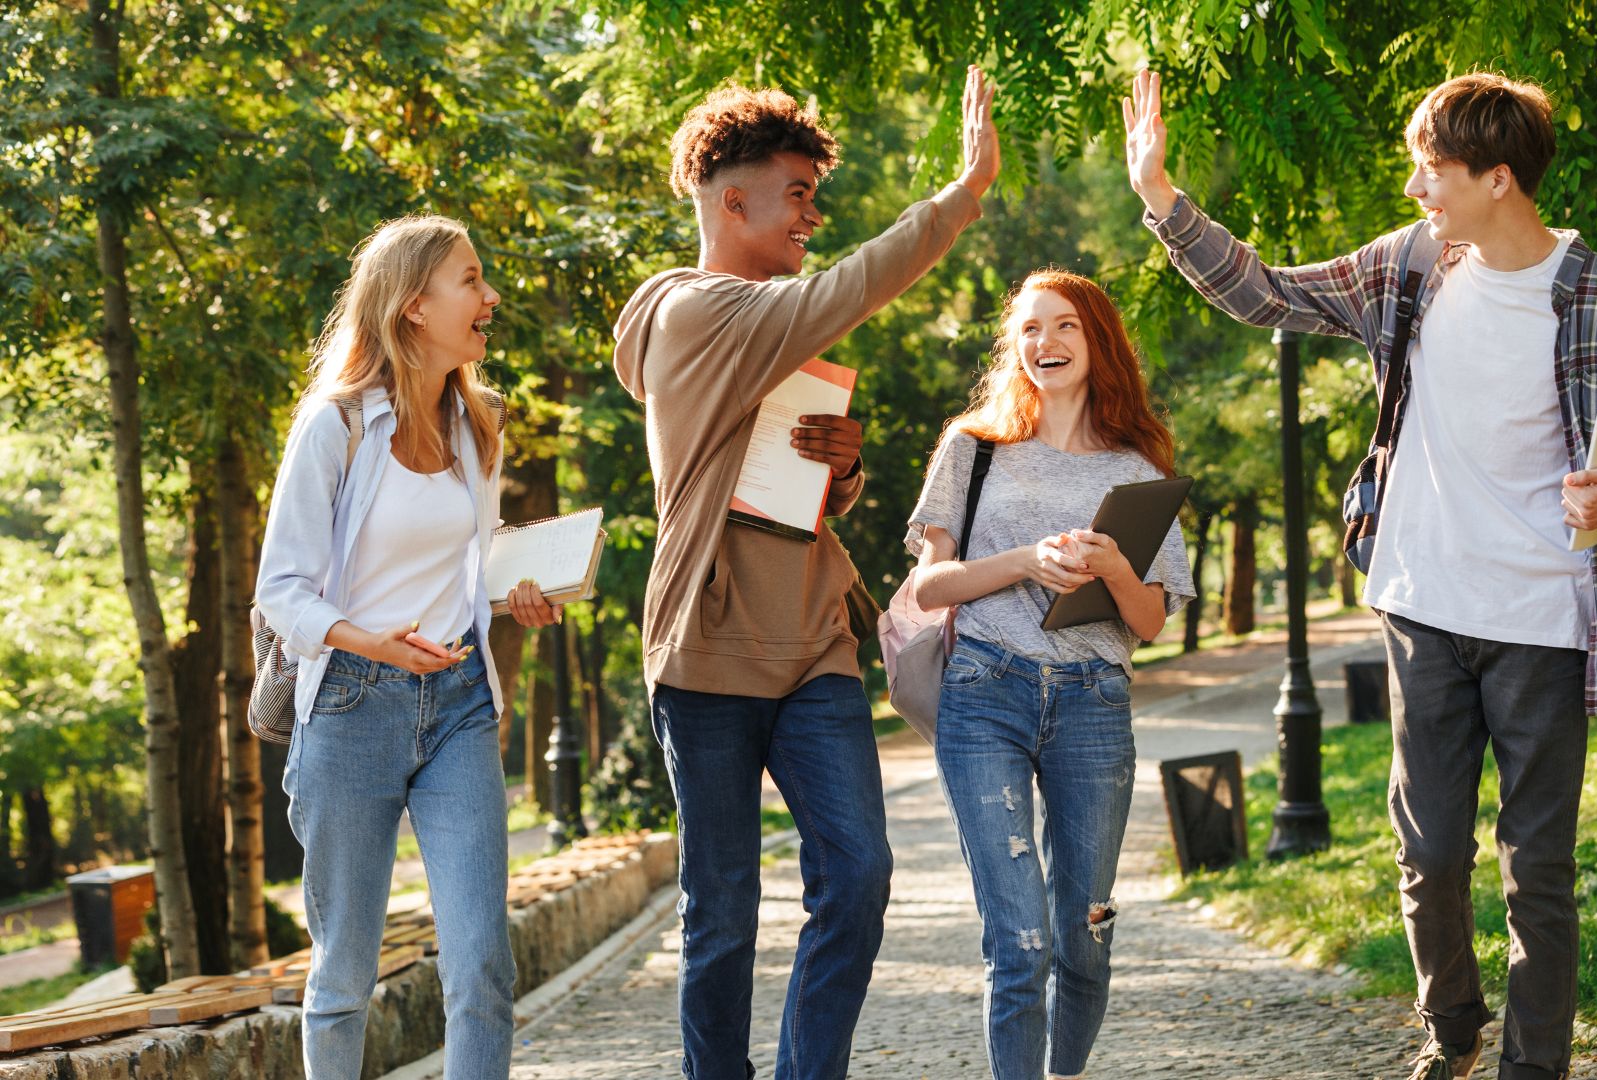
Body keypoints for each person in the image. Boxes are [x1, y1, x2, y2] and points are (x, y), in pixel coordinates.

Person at [1121, 70, 1597, 1080]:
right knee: (1430, 856)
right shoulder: (1413, 269)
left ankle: (1536, 1067)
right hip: (1422, 606)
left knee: (1540, 874)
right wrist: (1162, 200)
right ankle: (1450, 1027)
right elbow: (1270, 292)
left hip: (1544, 619)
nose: (1415, 192)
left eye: (1430, 172)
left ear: (1497, 178)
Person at [608, 67, 999, 1079]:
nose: (812, 219)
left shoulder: (772, 326)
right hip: (709, 650)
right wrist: (959, 199)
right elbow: (848, 286)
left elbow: (796, 489)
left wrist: (844, 466)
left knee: (860, 874)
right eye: (796, 195)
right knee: (723, 912)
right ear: (731, 202)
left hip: (814, 641)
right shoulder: (696, 314)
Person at [255, 214, 562, 1080]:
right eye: (472, 279)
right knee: (347, 973)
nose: (490, 296)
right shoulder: (336, 425)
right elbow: (281, 592)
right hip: (351, 704)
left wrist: (521, 593)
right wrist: (371, 643)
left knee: (482, 962)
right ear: (415, 304)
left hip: (459, 699)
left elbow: (477, 560)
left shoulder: (478, 424)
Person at [904, 269, 1195, 1080]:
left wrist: (1114, 570)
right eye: (1030, 329)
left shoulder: (1138, 466)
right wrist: (1026, 562)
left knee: (1084, 934)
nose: (1045, 343)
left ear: (1097, 342)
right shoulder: (974, 448)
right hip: (984, 691)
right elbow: (930, 587)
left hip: (1094, 701)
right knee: (1020, 938)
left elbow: (1149, 621)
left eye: (1064, 326)